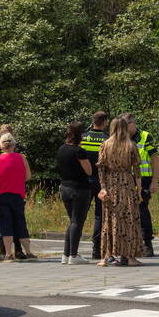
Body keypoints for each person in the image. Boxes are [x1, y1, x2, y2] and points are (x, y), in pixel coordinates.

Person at [96, 117, 143, 267]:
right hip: (127, 184)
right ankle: (129, 257)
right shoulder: (131, 145)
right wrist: (139, 189)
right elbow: (137, 169)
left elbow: (101, 168)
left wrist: (103, 187)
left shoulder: (105, 145)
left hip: (111, 185)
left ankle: (105, 256)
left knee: (109, 219)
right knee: (129, 220)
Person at [0, 132, 37, 261]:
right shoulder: (22, 158)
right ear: (14, 145)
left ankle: (8, 254)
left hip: (1, 195)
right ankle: (28, 252)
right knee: (20, 222)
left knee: (5, 223)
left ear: (1, 146)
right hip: (18, 195)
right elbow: (28, 176)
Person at [120, 112, 159, 257]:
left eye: (125, 126)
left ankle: (147, 243)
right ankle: (129, 243)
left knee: (142, 210)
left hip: (143, 178)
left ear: (132, 124)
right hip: (125, 179)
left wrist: (155, 181)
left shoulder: (145, 136)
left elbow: (155, 159)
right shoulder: (121, 137)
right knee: (125, 211)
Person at [57, 121, 92, 265]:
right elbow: (88, 171)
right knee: (77, 221)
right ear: (80, 134)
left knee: (72, 221)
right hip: (79, 189)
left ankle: (66, 254)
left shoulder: (62, 149)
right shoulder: (79, 151)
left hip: (64, 186)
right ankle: (74, 254)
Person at [0, 124, 26, 259]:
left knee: (16, 219)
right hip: (0, 188)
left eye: (7, 133)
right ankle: (3, 250)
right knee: (2, 222)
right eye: (2, 133)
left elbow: (23, 167)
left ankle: (18, 249)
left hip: (15, 188)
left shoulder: (19, 149)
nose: (5, 137)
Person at [81, 111, 109, 259]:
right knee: (100, 215)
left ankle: (72, 249)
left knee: (80, 215)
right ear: (104, 122)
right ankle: (96, 249)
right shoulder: (106, 139)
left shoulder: (82, 137)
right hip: (100, 181)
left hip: (83, 181)